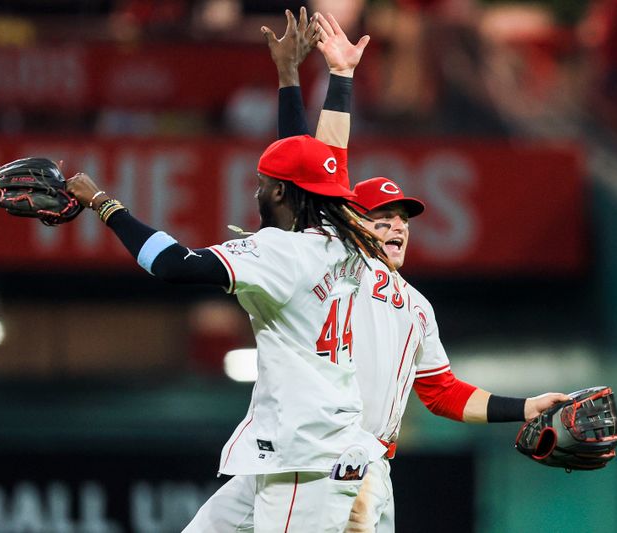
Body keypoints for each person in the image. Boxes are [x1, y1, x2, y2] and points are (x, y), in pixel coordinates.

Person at [272, 10, 570, 532]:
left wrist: (526, 407)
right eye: (381, 217)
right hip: (320, 464)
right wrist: (326, 80)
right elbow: (314, 167)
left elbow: (443, 392)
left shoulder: (415, 308)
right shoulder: (336, 267)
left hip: (373, 470)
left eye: (402, 218)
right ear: (348, 227)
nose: (397, 226)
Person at [65, 97, 390, 532]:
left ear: (277, 192)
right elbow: (318, 163)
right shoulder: (342, 239)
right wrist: (296, 80)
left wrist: (104, 204)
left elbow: (172, 264)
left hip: (305, 456)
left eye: (261, 183)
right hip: (309, 446)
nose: (256, 190)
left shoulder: (280, 251)